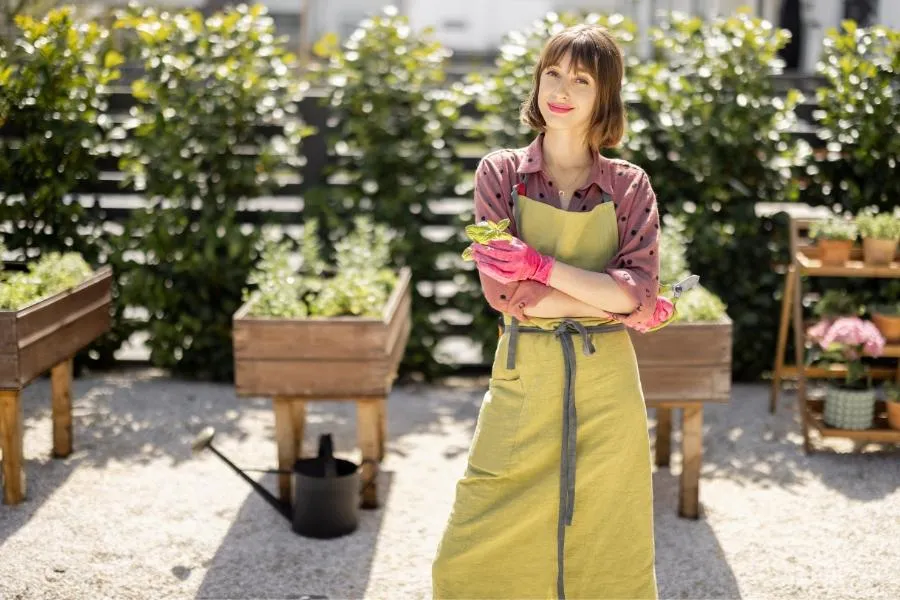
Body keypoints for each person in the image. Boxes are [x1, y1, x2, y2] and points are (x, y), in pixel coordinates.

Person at [431, 23, 660, 599]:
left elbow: (639, 291)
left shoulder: (629, 186)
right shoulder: (501, 175)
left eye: (581, 80)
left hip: (608, 387)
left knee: (608, 537)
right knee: (473, 539)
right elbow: (504, 297)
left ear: (604, 96)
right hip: (524, 373)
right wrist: (608, 300)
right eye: (552, 73)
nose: (561, 90)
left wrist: (541, 268)